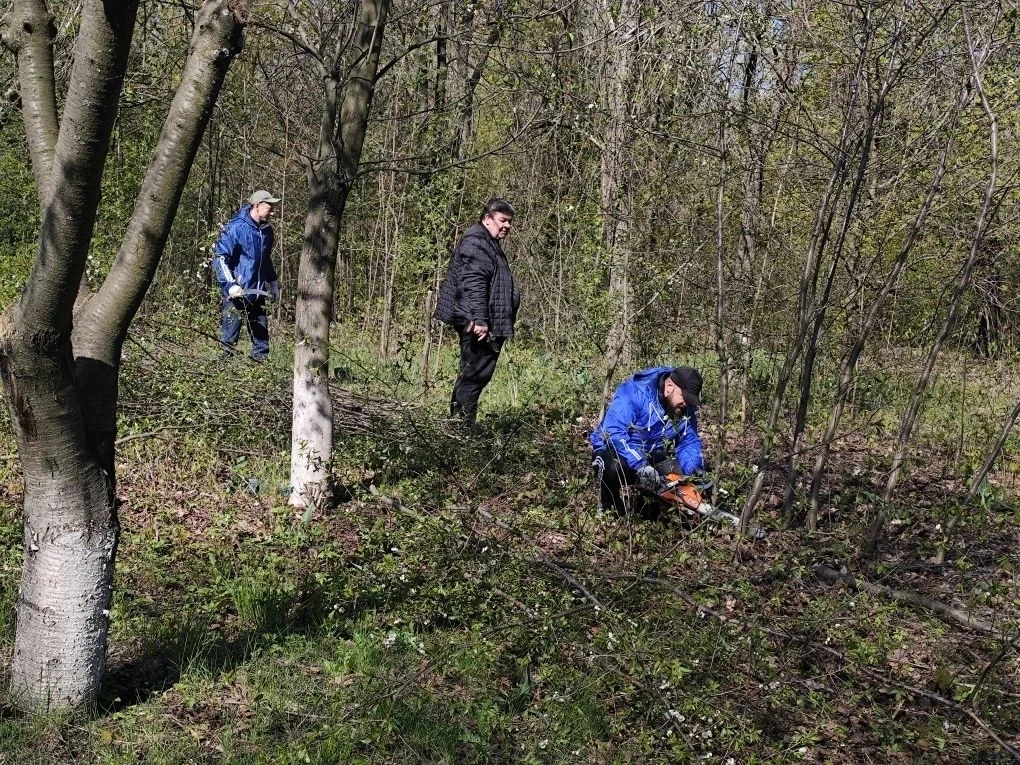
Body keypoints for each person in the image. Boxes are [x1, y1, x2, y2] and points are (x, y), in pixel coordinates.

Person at [434, 198, 520, 423]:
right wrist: (481, 320)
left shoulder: (486, 241)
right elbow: (474, 283)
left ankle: (458, 424)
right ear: (487, 218)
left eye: (509, 222)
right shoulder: (477, 242)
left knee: (471, 376)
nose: (507, 226)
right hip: (479, 326)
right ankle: (461, 427)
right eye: (503, 220)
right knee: (473, 378)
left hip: (485, 322)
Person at [590, 366, 705, 514]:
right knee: (612, 466)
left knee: (687, 471)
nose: (687, 403)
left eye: (690, 399)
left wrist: (694, 469)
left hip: (652, 457)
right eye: (684, 397)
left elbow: (688, 442)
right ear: (669, 387)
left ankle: (650, 507)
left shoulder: (684, 407)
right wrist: (641, 465)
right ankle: (608, 507)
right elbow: (613, 432)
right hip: (618, 452)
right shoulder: (634, 393)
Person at [214, 190, 281, 362]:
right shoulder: (236, 228)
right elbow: (221, 258)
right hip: (236, 293)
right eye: (269, 208)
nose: (273, 212)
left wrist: (273, 282)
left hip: (257, 293)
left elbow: (264, 259)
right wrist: (230, 285)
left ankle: (260, 369)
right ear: (257, 206)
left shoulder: (267, 231)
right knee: (228, 343)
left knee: (262, 346)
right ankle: (223, 369)